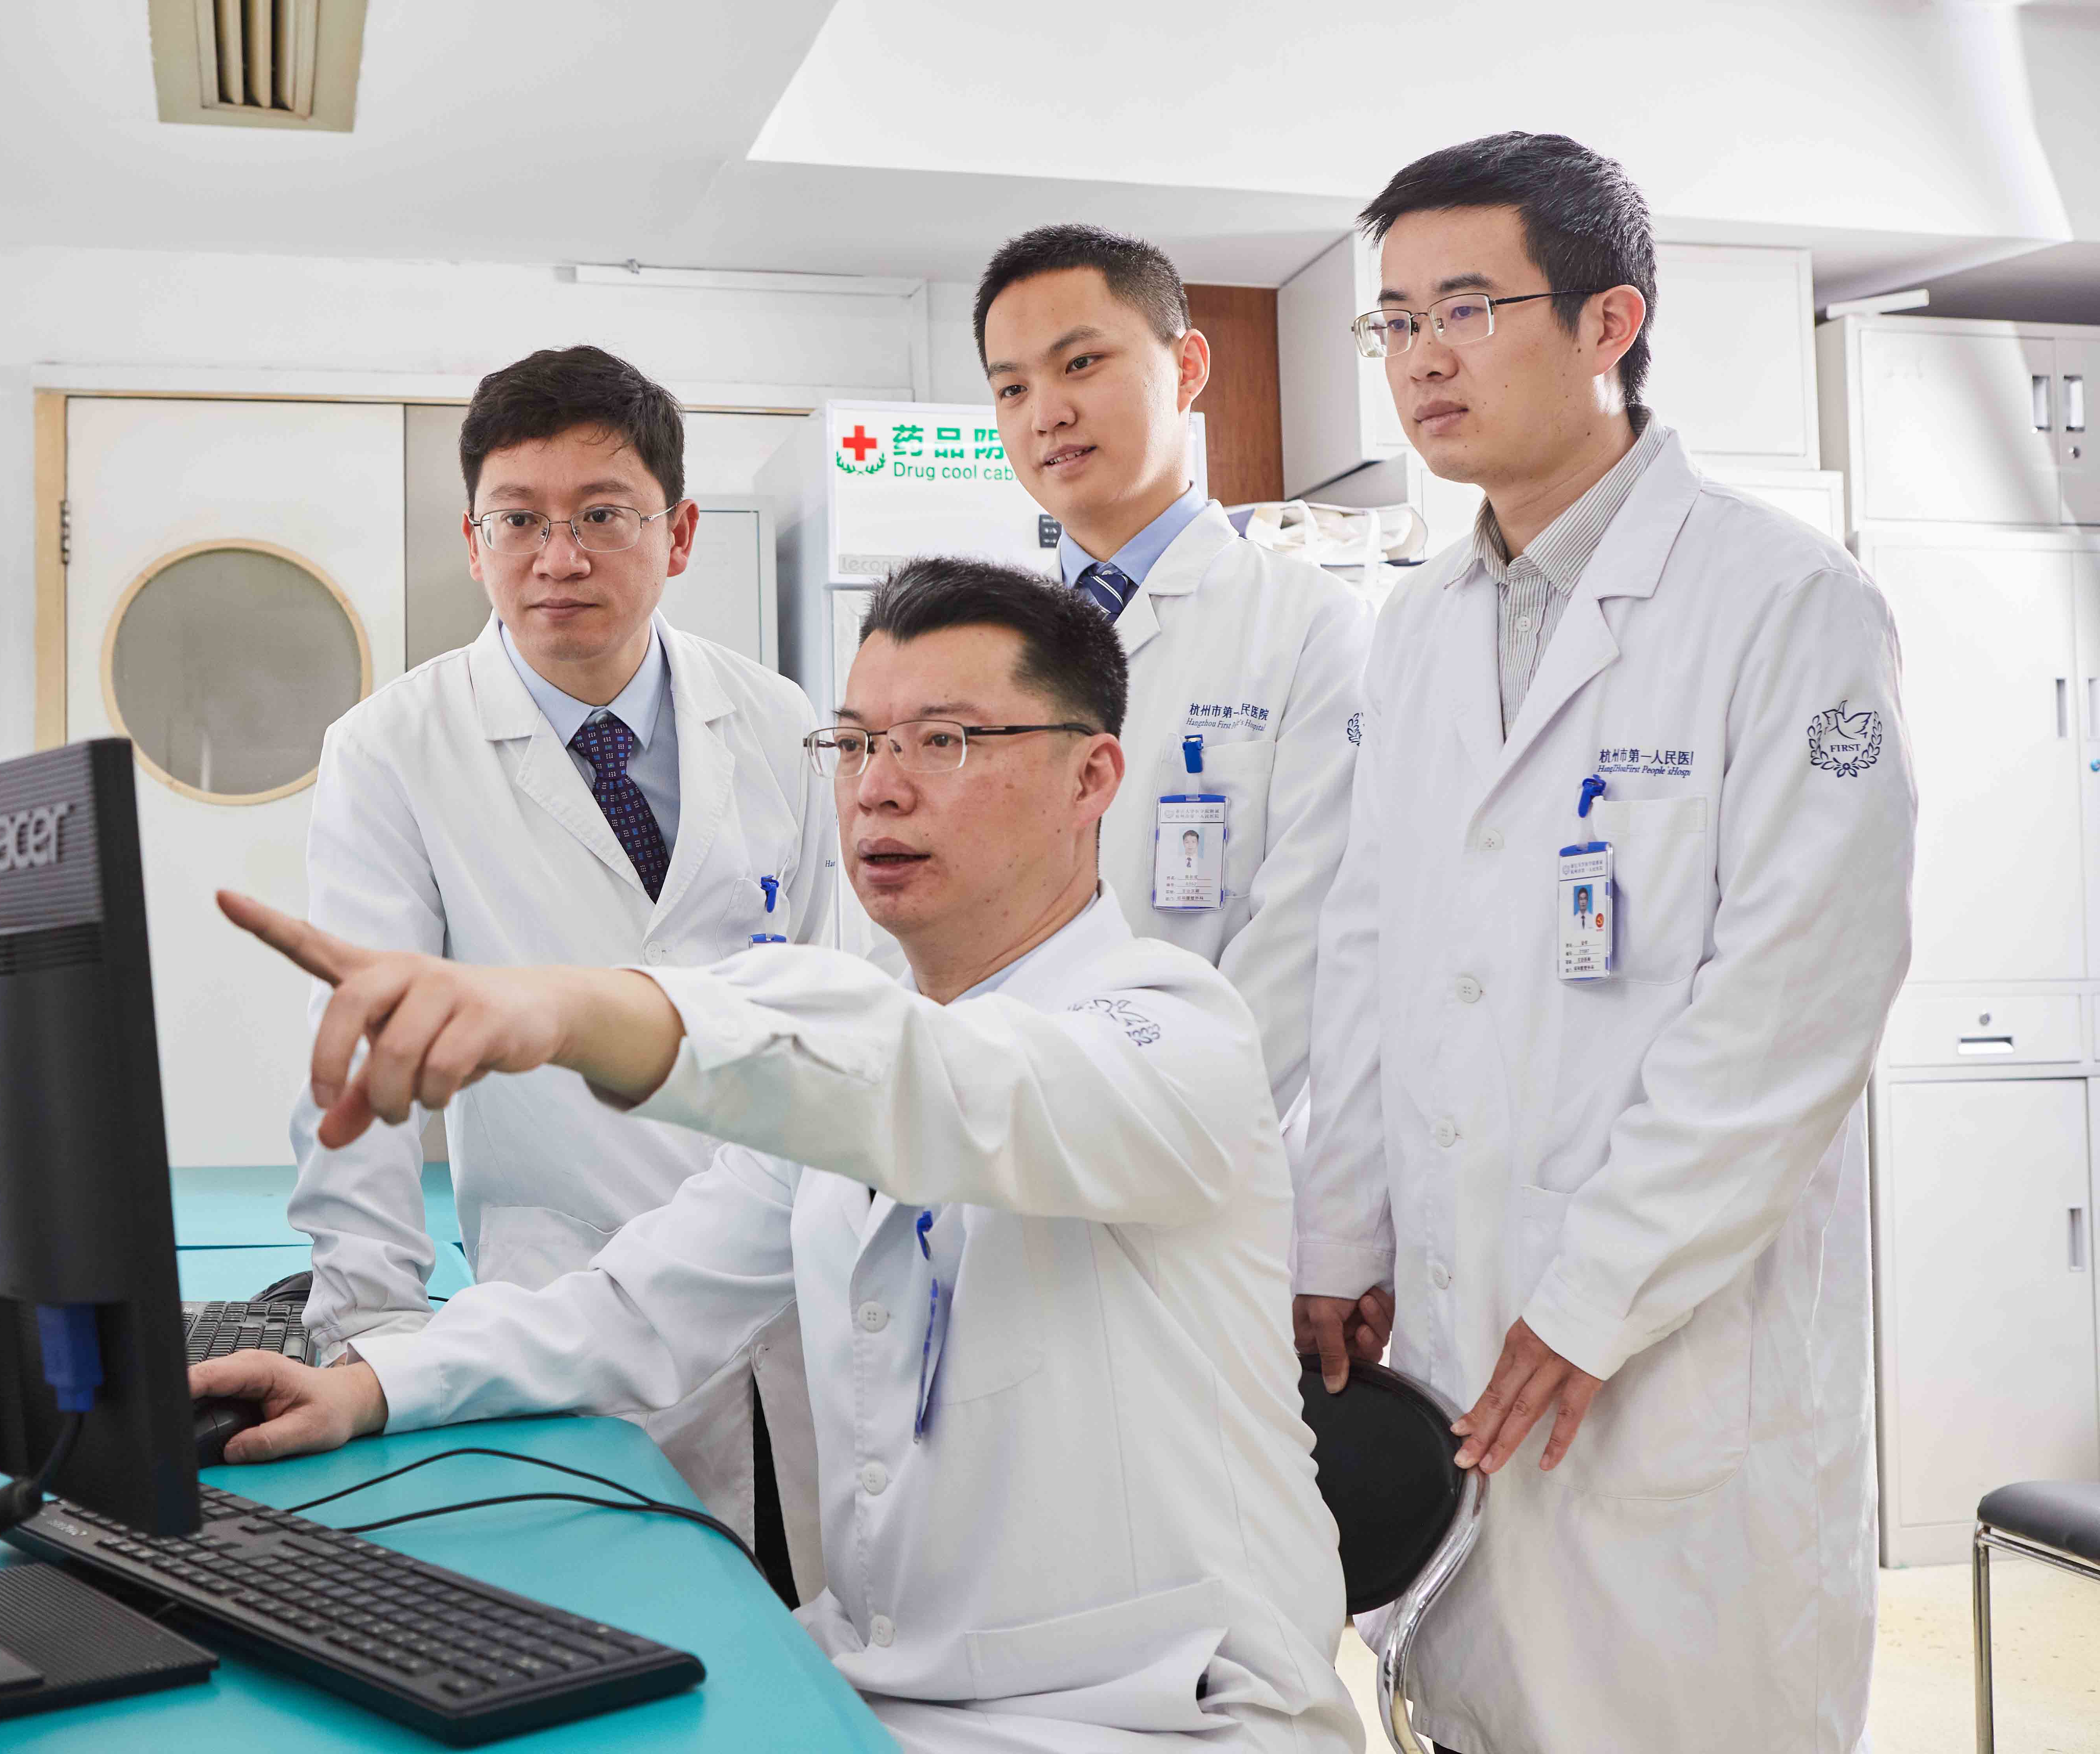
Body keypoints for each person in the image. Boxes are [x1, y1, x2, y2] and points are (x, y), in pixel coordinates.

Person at [198, 558, 1361, 1754]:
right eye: (854, 745)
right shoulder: (861, 1071)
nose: (879, 788)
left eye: (946, 742)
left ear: (1092, 777)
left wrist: (568, 1008)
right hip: (881, 1690)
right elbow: (636, 1306)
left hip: (1170, 1719)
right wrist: (370, 1386)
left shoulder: (1176, 1034)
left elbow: (947, 1090)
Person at [1292, 133, 1914, 1754]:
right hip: (1456, 1331)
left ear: (1609, 322)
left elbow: (1795, 1003)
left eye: (1466, 308)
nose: (1422, 357)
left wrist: (1597, 1289)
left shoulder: (1785, 604)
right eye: (1394, 322)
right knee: (1473, 1708)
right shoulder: (1418, 628)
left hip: (1676, 1353)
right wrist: (1335, 1231)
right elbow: (1370, 949)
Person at [282, 344, 847, 1602]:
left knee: (823, 1628)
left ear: (679, 534)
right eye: (520, 520)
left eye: (603, 516)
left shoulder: (779, 724)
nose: (560, 557)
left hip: (794, 1293)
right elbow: (365, 1053)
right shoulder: (392, 749)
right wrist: (374, 1340)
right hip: (564, 1305)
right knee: (617, 1631)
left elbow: (838, 1018)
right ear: (473, 541)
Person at [975, 225, 1369, 1118]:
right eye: (1012, 388)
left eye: (1081, 364)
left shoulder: (1312, 628)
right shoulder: (980, 644)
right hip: (1000, 1127)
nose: (1046, 415)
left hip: (1200, 1138)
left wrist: (1138, 1129)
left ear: (1188, 367)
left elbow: (1304, 945)